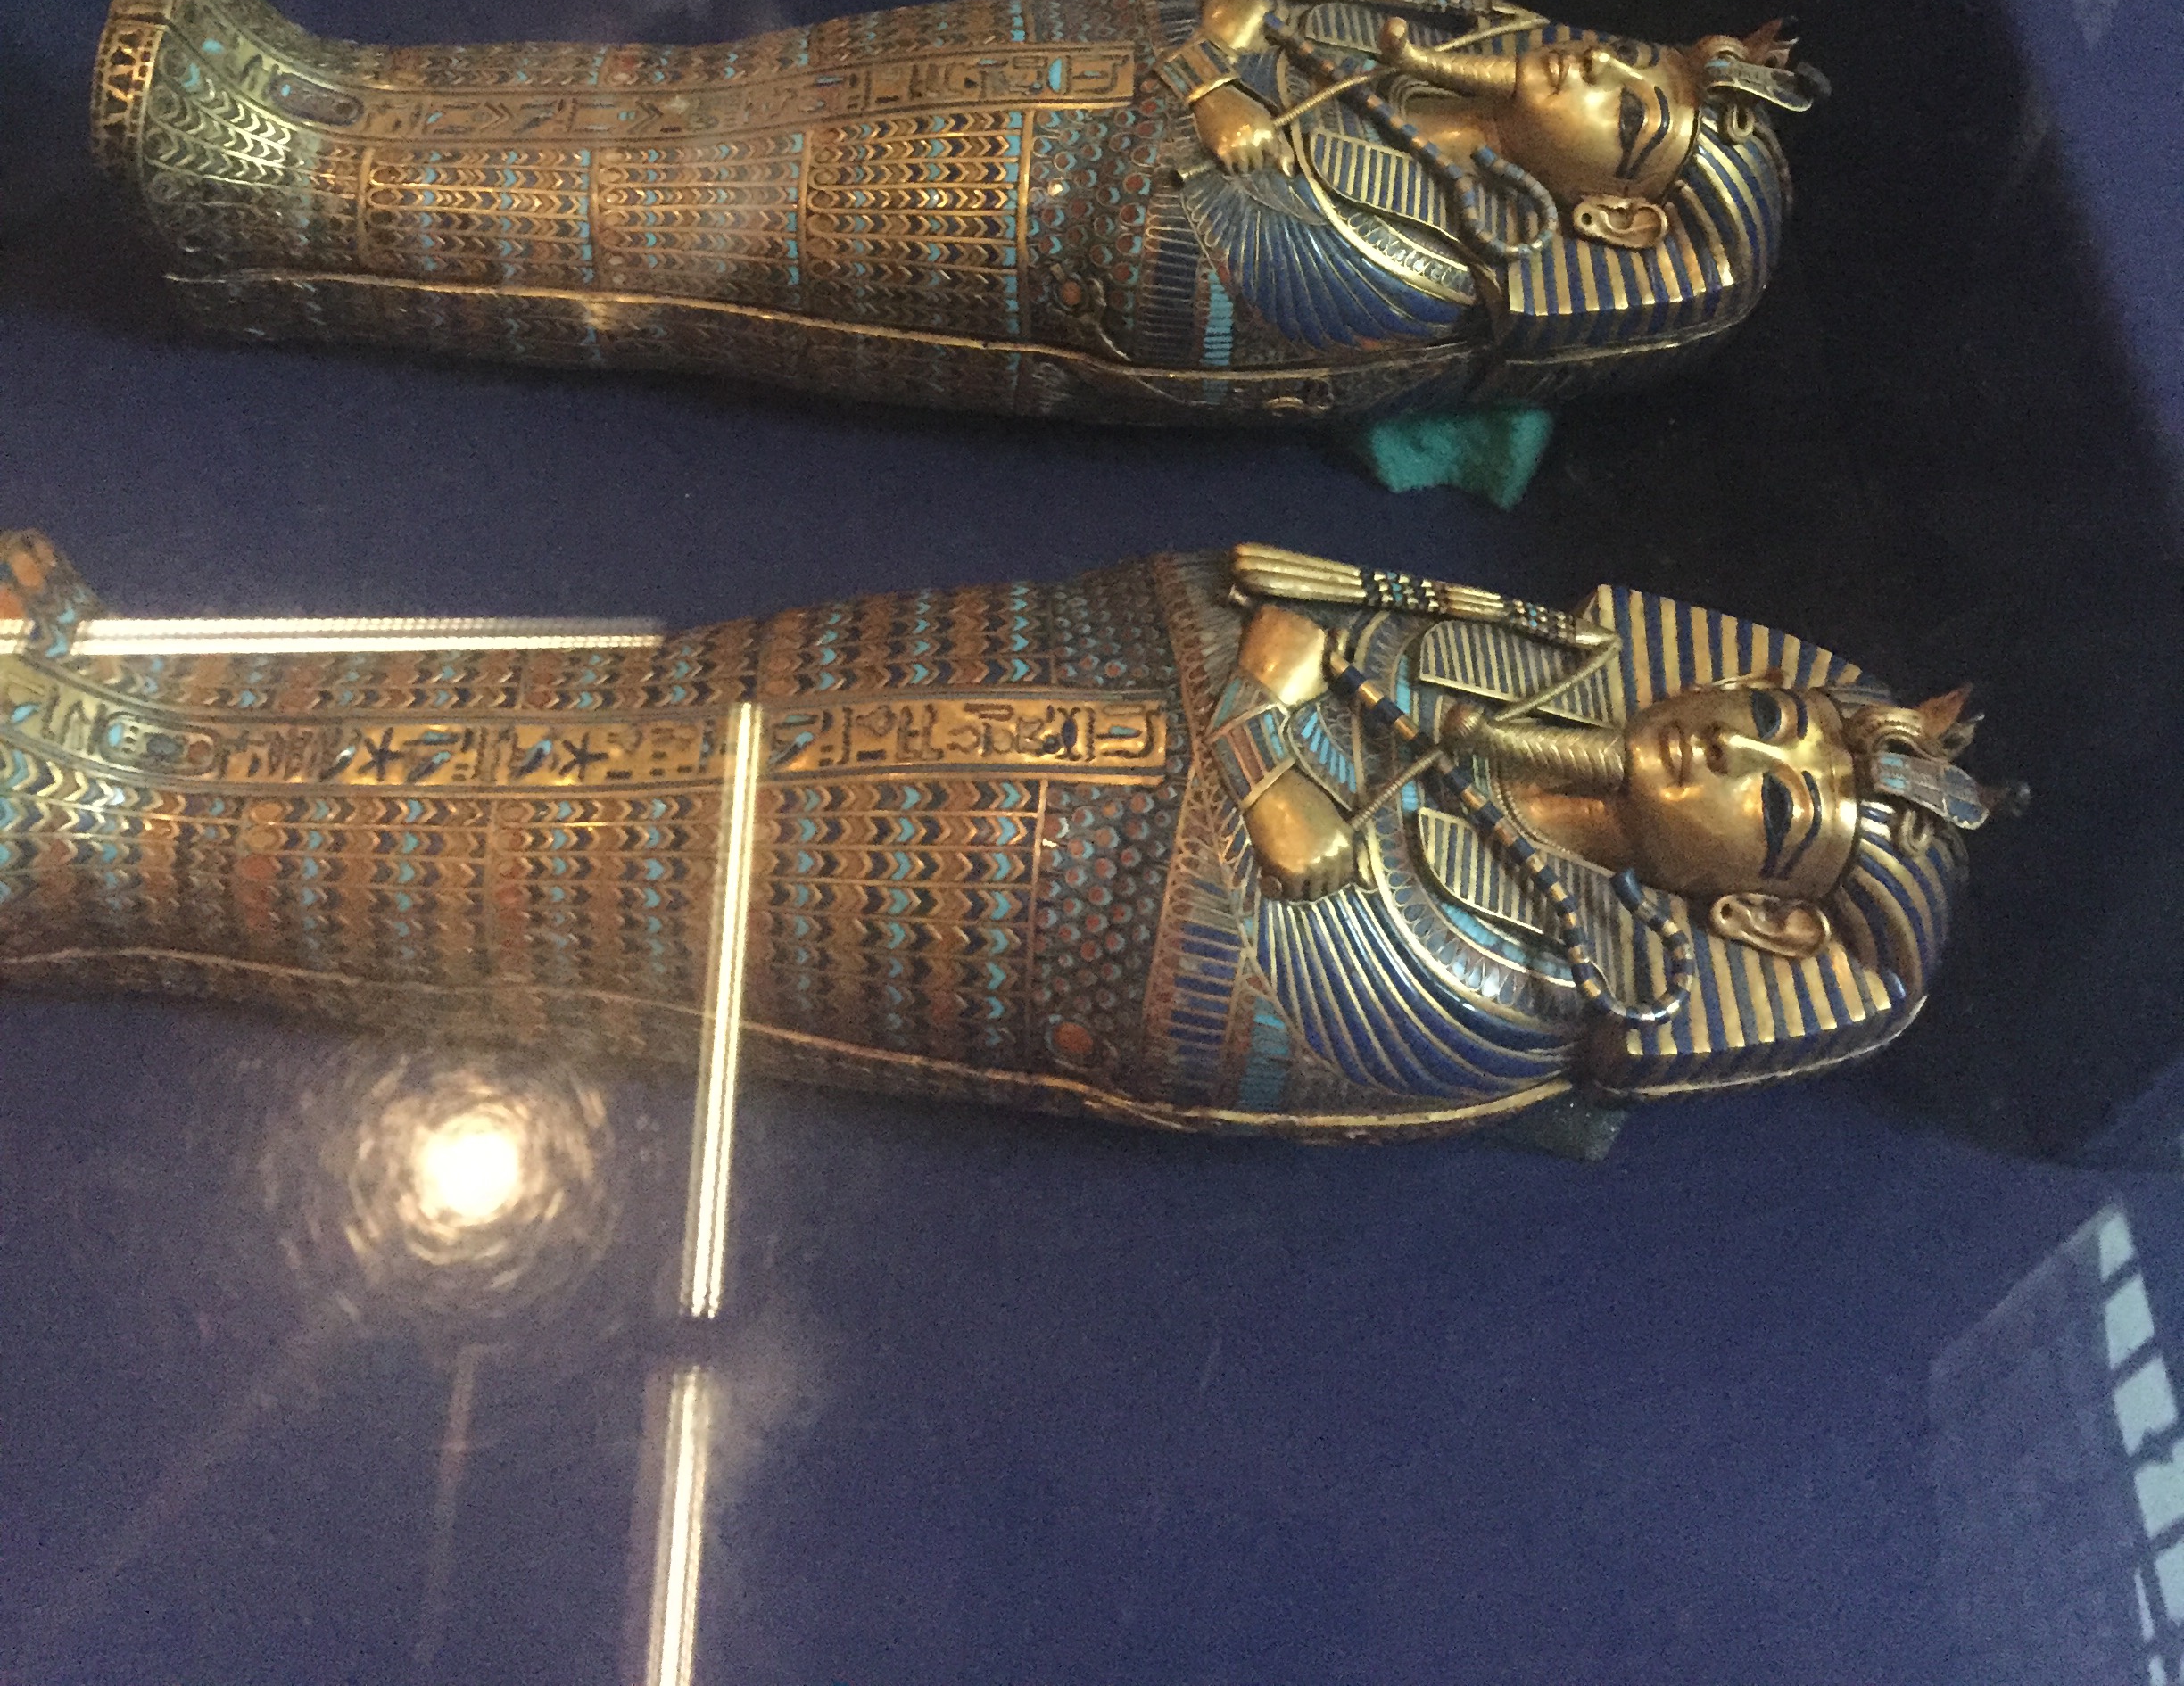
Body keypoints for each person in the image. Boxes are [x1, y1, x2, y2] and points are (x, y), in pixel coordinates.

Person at [0, 531, 2014, 1132]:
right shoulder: (1498, 666)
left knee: (531, 864)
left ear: (1758, 926)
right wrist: (1264, 697)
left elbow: (1240, 982)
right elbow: (1237, 608)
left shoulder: (1507, 985)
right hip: (1006, 672)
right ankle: (102, 697)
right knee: (604, 703)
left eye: (1775, 805)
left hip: (1001, 884)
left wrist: (1267, 713)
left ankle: (78, 825)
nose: (1737, 742)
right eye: (1779, 719)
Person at [93, 0, 1820, 424]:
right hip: (1010, 79)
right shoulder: (1412, 75)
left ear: (1608, 218)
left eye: (1631, 117)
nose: (1602, 69)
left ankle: (261, 193)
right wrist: (1242, 69)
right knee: (671, 100)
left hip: (1005, 212)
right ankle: (306, 92)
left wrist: (1224, 83)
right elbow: (1204, 1)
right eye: (1638, 64)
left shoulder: (1423, 275)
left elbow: (1169, 254)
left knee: (655, 216)